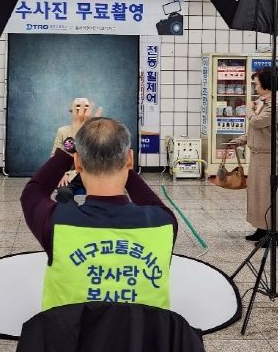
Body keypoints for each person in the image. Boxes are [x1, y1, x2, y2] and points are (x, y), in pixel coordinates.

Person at [21, 109, 178, 311]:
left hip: (68, 332)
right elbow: (154, 204)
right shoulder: (163, 223)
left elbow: (33, 192)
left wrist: (69, 147)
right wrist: (123, 164)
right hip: (144, 333)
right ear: (130, 160)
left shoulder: (56, 223)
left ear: (77, 163)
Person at [228, 67, 278, 246]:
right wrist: (239, 141)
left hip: (269, 156)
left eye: (256, 84)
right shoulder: (263, 102)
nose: (255, 87)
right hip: (258, 154)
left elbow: (258, 122)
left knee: (269, 194)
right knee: (257, 193)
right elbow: (256, 130)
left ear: (266, 84)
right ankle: (261, 228)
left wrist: (248, 110)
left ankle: (273, 232)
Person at [52, 97, 97, 198]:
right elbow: (54, 157)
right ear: (72, 112)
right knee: (63, 193)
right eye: (78, 109)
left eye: (85, 109)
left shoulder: (96, 131)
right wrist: (61, 174)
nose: (81, 112)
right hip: (69, 175)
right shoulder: (62, 131)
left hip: (92, 175)